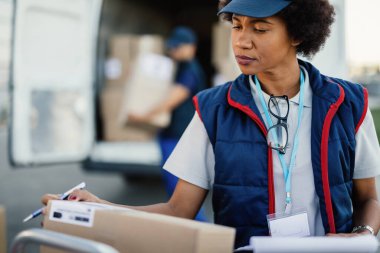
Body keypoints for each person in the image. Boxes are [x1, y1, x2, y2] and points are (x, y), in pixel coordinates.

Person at [43, 0, 380, 248]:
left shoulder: (349, 104)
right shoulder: (212, 109)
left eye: (260, 29)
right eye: (236, 25)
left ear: (298, 34)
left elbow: (370, 199)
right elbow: (178, 210)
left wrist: (363, 236)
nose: (241, 41)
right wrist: (101, 207)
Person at [128, 26, 208, 222]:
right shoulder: (177, 67)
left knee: (182, 193)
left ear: (191, 47)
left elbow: (173, 98)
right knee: (175, 192)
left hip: (179, 137)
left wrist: (143, 116)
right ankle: (186, 230)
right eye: (172, 47)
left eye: (178, 47)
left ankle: (204, 231)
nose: (173, 51)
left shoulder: (190, 70)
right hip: (170, 135)